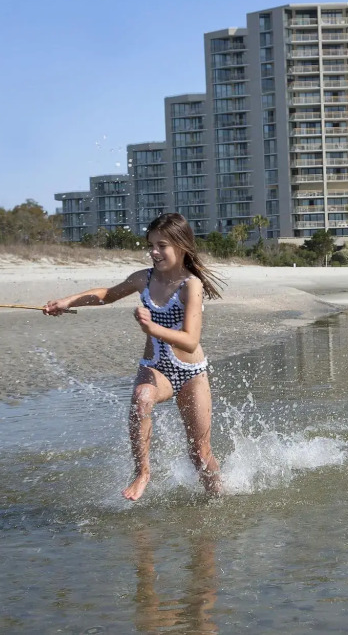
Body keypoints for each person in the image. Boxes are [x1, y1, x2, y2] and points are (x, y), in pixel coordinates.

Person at [43, 213, 224, 500]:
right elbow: (107, 294)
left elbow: (190, 341)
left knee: (200, 452)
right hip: (155, 367)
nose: (154, 252)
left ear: (181, 246)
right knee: (142, 398)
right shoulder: (144, 278)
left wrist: (152, 328)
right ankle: (142, 473)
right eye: (151, 245)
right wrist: (68, 301)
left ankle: (219, 498)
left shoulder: (191, 285)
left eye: (162, 245)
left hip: (191, 373)